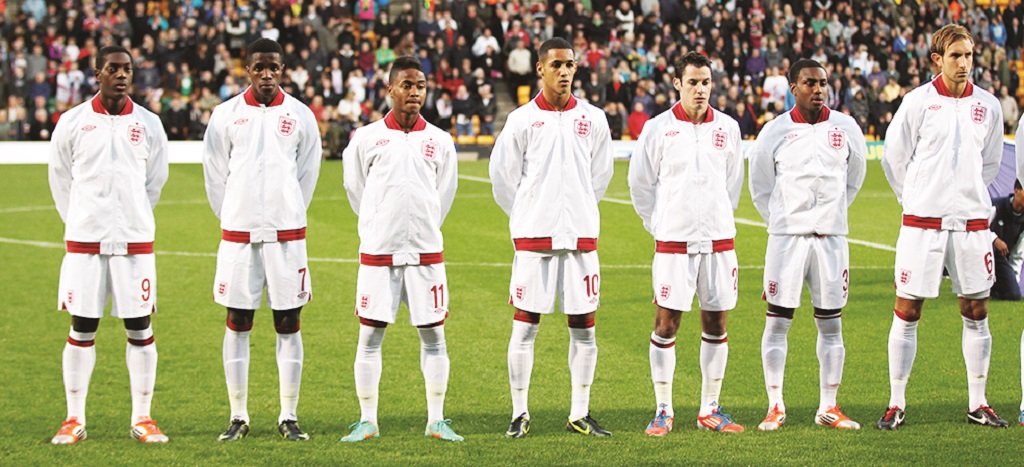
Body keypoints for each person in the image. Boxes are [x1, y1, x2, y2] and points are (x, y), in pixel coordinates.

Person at [879, 24, 1009, 430]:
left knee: (976, 310)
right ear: (937, 59)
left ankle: (978, 402)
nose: (964, 63)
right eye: (956, 55)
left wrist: (967, 198)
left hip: (971, 225)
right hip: (922, 225)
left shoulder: (987, 105)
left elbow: (989, 163)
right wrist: (917, 200)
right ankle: (896, 402)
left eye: (969, 55)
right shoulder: (917, 102)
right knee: (908, 309)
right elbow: (894, 159)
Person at [490, 37, 614, 438]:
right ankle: (519, 412)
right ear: (540, 69)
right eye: (557, 64)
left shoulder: (593, 118)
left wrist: (578, 211)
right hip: (534, 240)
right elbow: (503, 179)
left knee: (585, 328)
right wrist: (530, 213)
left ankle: (579, 411)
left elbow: (600, 177)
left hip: (580, 239)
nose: (564, 71)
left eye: (570, 64)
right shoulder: (522, 120)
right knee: (525, 327)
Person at [202, 38, 322, 442]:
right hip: (239, 236)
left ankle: (289, 415)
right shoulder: (225, 115)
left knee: (288, 321)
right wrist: (238, 214)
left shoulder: (301, 115)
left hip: (287, 235)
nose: (266, 74)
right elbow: (215, 174)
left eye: (273, 67)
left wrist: (284, 210)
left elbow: (307, 173)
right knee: (238, 321)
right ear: (247, 70)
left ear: (283, 68)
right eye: (259, 67)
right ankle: (238, 415)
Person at [48, 46, 170, 444]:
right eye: (113, 69)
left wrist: (130, 217)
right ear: (97, 73)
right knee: (82, 327)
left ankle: (143, 417)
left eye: (127, 69)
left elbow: (154, 181)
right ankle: (73, 418)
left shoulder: (150, 124)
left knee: (140, 326)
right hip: (85, 241)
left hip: (134, 241)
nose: (121, 75)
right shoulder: (72, 122)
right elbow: (60, 180)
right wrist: (84, 220)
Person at [340, 56, 462, 443]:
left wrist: (421, 226)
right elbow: (355, 189)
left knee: (434, 336)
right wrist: (381, 225)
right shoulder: (365, 138)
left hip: (426, 253)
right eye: (407, 85)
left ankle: (437, 419)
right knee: (370, 335)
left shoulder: (440, 140)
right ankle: (367, 419)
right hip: (379, 252)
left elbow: (445, 194)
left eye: (420, 86)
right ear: (390, 89)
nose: (414, 92)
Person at [628, 52, 745, 436]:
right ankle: (664, 409)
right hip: (674, 243)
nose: (700, 89)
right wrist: (660, 224)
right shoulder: (657, 128)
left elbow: (733, 185)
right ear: (677, 84)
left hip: (718, 241)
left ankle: (709, 408)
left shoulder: (728, 127)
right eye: (692, 82)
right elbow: (640, 185)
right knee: (666, 324)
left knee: (716, 321)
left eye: (706, 82)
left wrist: (716, 220)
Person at [748, 59, 867, 431]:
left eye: (823, 83)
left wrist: (829, 216)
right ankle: (775, 404)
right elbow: (760, 187)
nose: (818, 89)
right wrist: (786, 221)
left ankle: (829, 406)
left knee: (832, 324)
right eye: (810, 83)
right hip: (787, 241)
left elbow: (855, 178)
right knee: (778, 321)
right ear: (792, 87)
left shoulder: (846, 127)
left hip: (831, 239)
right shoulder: (774, 131)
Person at [990, 180, 1024, 301]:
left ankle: (994, 288)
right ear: (1017, 191)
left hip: (1001, 261)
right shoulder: (996, 206)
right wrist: (994, 239)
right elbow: (978, 229)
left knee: (1014, 295)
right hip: (983, 255)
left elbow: (1017, 253)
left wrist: (1013, 279)